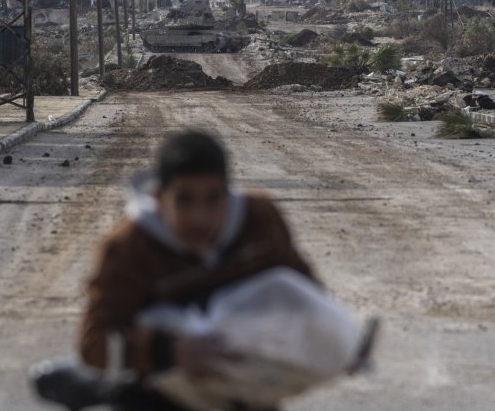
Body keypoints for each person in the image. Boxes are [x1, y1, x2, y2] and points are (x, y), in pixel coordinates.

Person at [77, 130, 318, 410]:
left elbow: (308, 294)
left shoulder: (259, 221)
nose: (199, 217)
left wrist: (334, 340)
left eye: (213, 198)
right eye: (184, 199)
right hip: (160, 394)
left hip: (248, 387)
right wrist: (170, 351)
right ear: (160, 197)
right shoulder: (129, 246)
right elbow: (93, 343)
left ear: (227, 194)